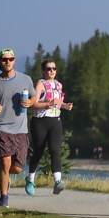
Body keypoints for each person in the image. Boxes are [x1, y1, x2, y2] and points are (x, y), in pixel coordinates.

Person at [0, 49, 38, 208]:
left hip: (21, 130)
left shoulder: (26, 79)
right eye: (4, 59)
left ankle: (4, 177)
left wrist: (30, 103)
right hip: (1, 128)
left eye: (10, 59)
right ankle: (3, 197)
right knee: (4, 163)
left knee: (17, 168)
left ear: (14, 61)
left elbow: (34, 96)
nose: (7, 62)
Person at [26, 58, 74, 195]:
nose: (52, 71)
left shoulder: (59, 85)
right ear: (43, 71)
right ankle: (30, 180)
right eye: (48, 68)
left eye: (54, 68)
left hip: (55, 121)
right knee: (38, 152)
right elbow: (33, 104)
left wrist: (65, 106)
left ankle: (58, 182)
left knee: (55, 150)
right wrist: (48, 104)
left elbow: (58, 102)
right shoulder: (40, 84)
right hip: (40, 121)